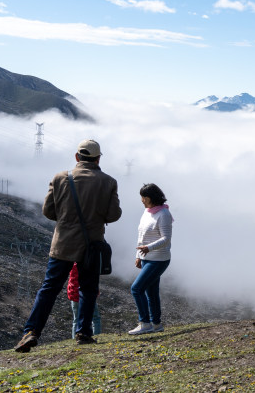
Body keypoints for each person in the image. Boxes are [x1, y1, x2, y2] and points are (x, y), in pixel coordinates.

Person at [15, 139, 121, 352]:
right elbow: (114, 215)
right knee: (88, 289)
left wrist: (66, 219)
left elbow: (48, 211)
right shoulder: (108, 182)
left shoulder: (60, 178)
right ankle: (83, 332)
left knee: (49, 288)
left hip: (63, 243)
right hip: (92, 245)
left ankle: (31, 332)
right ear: (98, 158)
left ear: (77, 157)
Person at [128, 183, 173, 335]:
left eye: (143, 197)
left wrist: (149, 248)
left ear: (149, 198)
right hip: (147, 257)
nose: (141, 200)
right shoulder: (147, 212)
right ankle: (156, 324)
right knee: (151, 292)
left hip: (159, 259)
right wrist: (138, 256)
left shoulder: (163, 214)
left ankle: (145, 323)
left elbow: (166, 238)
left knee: (136, 288)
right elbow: (141, 236)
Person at [67, 264, 101, 339]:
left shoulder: (71, 264)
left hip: (74, 294)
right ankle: (97, 336)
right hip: (86, 294)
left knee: (76, 319)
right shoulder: (86, 263)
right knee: (95, 318)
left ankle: (74, 338)